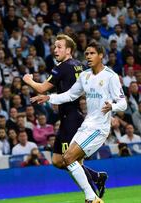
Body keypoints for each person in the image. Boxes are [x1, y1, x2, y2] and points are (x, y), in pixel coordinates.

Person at [31, 41, 127, 203]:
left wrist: (112, 106)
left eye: (92, 53)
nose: (88, 56)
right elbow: (70, 95)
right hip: (86, 126)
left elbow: (123, 104)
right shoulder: (85, 75)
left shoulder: (110, 76)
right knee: (66, 160)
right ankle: (94, 192)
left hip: (99, 128)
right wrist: (49, 97)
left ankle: (92, 198)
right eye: (87, 54)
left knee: (68, 159)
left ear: (101, 55)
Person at [23, 34, 107, 197]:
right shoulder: (80, 65)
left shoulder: (61, 67)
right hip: (68, 118)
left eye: (59, 46)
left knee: (72, 161)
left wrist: (29, 80)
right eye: (54, 47)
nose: (55, 50)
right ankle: (97, 177)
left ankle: (92, 196)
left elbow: (41, 89)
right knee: (57, 161)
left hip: (72, 120)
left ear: (68, 50)